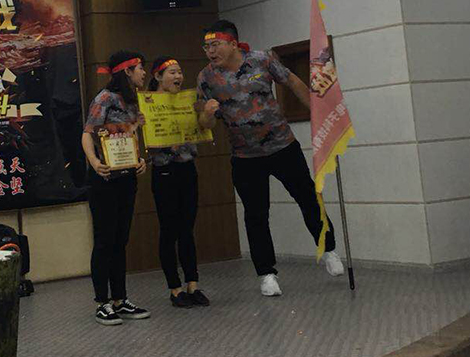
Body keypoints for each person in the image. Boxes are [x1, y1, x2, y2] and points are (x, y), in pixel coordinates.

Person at [196, 21, 344, 297]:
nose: (210, 51)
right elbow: (205, 124)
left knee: (308, 197)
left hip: (282, 146)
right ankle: (266, 274)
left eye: (215, 45)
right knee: (256, 215)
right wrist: (207, 113)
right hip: (245, 156)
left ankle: (329, 249)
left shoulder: (262, 60)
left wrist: (318, 113)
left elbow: (293, 82)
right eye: (206, 47)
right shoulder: (206, 78)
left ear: (232, 43)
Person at [81, 50, 151, 326]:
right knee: (104, 240)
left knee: (121, 240)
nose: (143, 73)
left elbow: (128, 137)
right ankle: (102, 302)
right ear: (127, 71)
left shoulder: (134, 100)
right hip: (104, 178)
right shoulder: (104, 98)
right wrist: (95, 162)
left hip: (126, 176)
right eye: (140, 68)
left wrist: (139, 160)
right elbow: (88, 134)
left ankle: (120, 299)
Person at [147, 56, 209, 309]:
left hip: (187, 168)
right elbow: (144, 140)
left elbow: (202, 128)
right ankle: (174, 288)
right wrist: (164, 145)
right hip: (164, 171)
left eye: (180, 72)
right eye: (172, 72)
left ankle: (193, 284)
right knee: (169, 230)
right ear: (158, 77)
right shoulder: (148, 104)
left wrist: (203, 114)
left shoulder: (187, 100)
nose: (178, 77)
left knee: (187, 229)